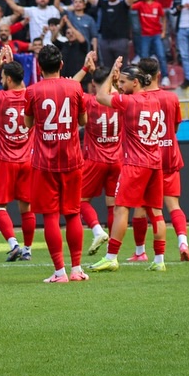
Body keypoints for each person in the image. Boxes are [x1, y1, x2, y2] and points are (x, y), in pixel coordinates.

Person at [89, 56, 168, 274]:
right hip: (155, 162)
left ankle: (111, 257)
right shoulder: (155, 101)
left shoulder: (129, 102)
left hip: (135, 163)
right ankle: (159, 259)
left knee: (121, 207)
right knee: (157, 212)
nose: (120, 86)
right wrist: (116, 79)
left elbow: (101, 96)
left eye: (123, 82)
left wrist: (111, 73)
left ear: (135, 82)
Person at [25, 43, 92, 283]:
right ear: (61, 65)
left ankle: (59, 272)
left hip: (45, 162)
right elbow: (83, 120)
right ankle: (76, 270)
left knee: (51, 216)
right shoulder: (75, 87)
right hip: (73, 159)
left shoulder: (32, 91)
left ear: (39, 67)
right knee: (73, 214)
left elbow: (27, 124)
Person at [0, 43, 35, 262]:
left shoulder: (0, 97)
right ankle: (27, 248)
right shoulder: (31, 95)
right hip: (27, 159)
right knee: (26, 207)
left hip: (4, 160)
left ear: (7, 79)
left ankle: (13, 244)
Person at [79, 68, 122, 255]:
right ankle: (111, 253)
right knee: (113, 205)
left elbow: (71, 87)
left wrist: (85, 68)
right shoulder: (120, 100)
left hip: (95, 159)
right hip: (117, 159)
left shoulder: (89, 100)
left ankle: (97, 231)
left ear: (94, 83)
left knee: (80, 201)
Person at [156, 82, 189, 262]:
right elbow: (175, 128)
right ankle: (183, 242)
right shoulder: (171, 97)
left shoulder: (138, 98)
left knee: (147, 209)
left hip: (149, 158)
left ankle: (142, 252)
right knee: (174, 206)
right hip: (170, 155)